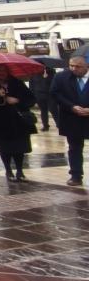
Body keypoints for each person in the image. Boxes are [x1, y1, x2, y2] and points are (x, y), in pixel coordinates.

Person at [0, 64, 37, 181]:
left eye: (3, 70)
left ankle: (20, 170)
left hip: (18, 121)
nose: (1, 73)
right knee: (4, 147)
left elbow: (31, 99)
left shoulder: (16, 82)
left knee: (20, 147)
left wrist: (17, 100)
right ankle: (8, 170)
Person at [50, 56, 89, 186]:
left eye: (78, 66)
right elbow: (55, 94)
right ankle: (76, 175)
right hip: (72, 118)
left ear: (86, 66)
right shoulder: (62, 77)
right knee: (74, 148)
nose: (73, 69)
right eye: (71, 65)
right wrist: (71, 107)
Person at [29, 66, 55, 131]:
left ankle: (59, 125)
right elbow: (31, 85)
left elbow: (54, 84)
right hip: (39, 95)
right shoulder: (33, 74)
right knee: (43, 111)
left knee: (53, 110)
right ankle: (45, 126)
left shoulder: (51, 72)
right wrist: (33, 96)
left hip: (49, 95)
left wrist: (46, 78)